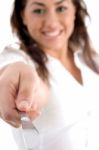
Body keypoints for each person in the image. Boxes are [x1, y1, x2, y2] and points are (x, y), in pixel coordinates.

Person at [0, 0, 99, 149]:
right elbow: (13, 71)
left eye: (61, 8)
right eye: (38, 11)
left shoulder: (86, 56)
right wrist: (19, 84)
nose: (51, 23)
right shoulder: (17, 57)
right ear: (23, 16)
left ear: (74, 12)